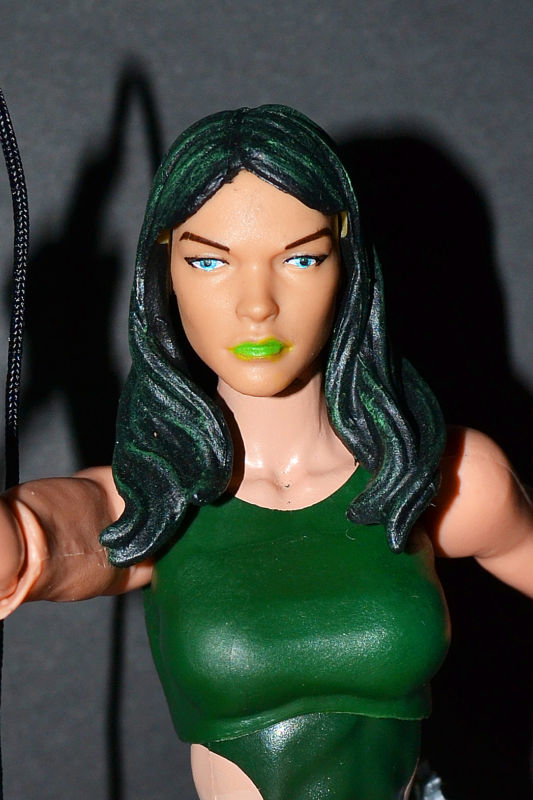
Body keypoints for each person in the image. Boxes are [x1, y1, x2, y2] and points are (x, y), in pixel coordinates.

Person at [1, 105, 532, 800]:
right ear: (165, 272)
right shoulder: (158, 499)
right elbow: (48, 534)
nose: (258, 305)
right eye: (209, 261)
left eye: (301, 258)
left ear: (347, 264)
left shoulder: (443, 477)